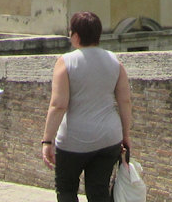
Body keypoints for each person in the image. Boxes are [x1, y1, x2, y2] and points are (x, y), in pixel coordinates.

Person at [40, 12, 132, 202]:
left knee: (66, 190)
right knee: (99, 192)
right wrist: (126, 135)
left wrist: (47, 141)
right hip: (109, 137)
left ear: (75, 36)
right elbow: (125, 101)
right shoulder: (115, 62)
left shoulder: (66, 62)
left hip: (74, 139)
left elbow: (58, 105)